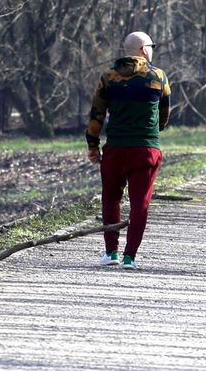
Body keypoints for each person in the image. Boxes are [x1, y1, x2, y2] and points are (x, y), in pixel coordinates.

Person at [86, 31, 171, 270]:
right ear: (144, 49)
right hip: (146, 150)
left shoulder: (108, 77)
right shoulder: (158, 77)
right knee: (139, 203)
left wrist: (93, 146)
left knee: (111, 199)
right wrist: (153, 130)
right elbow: (164, 114)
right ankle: (129, 257)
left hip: (115, 149)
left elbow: (96, 115)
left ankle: (111, 251)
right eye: (151, 46)